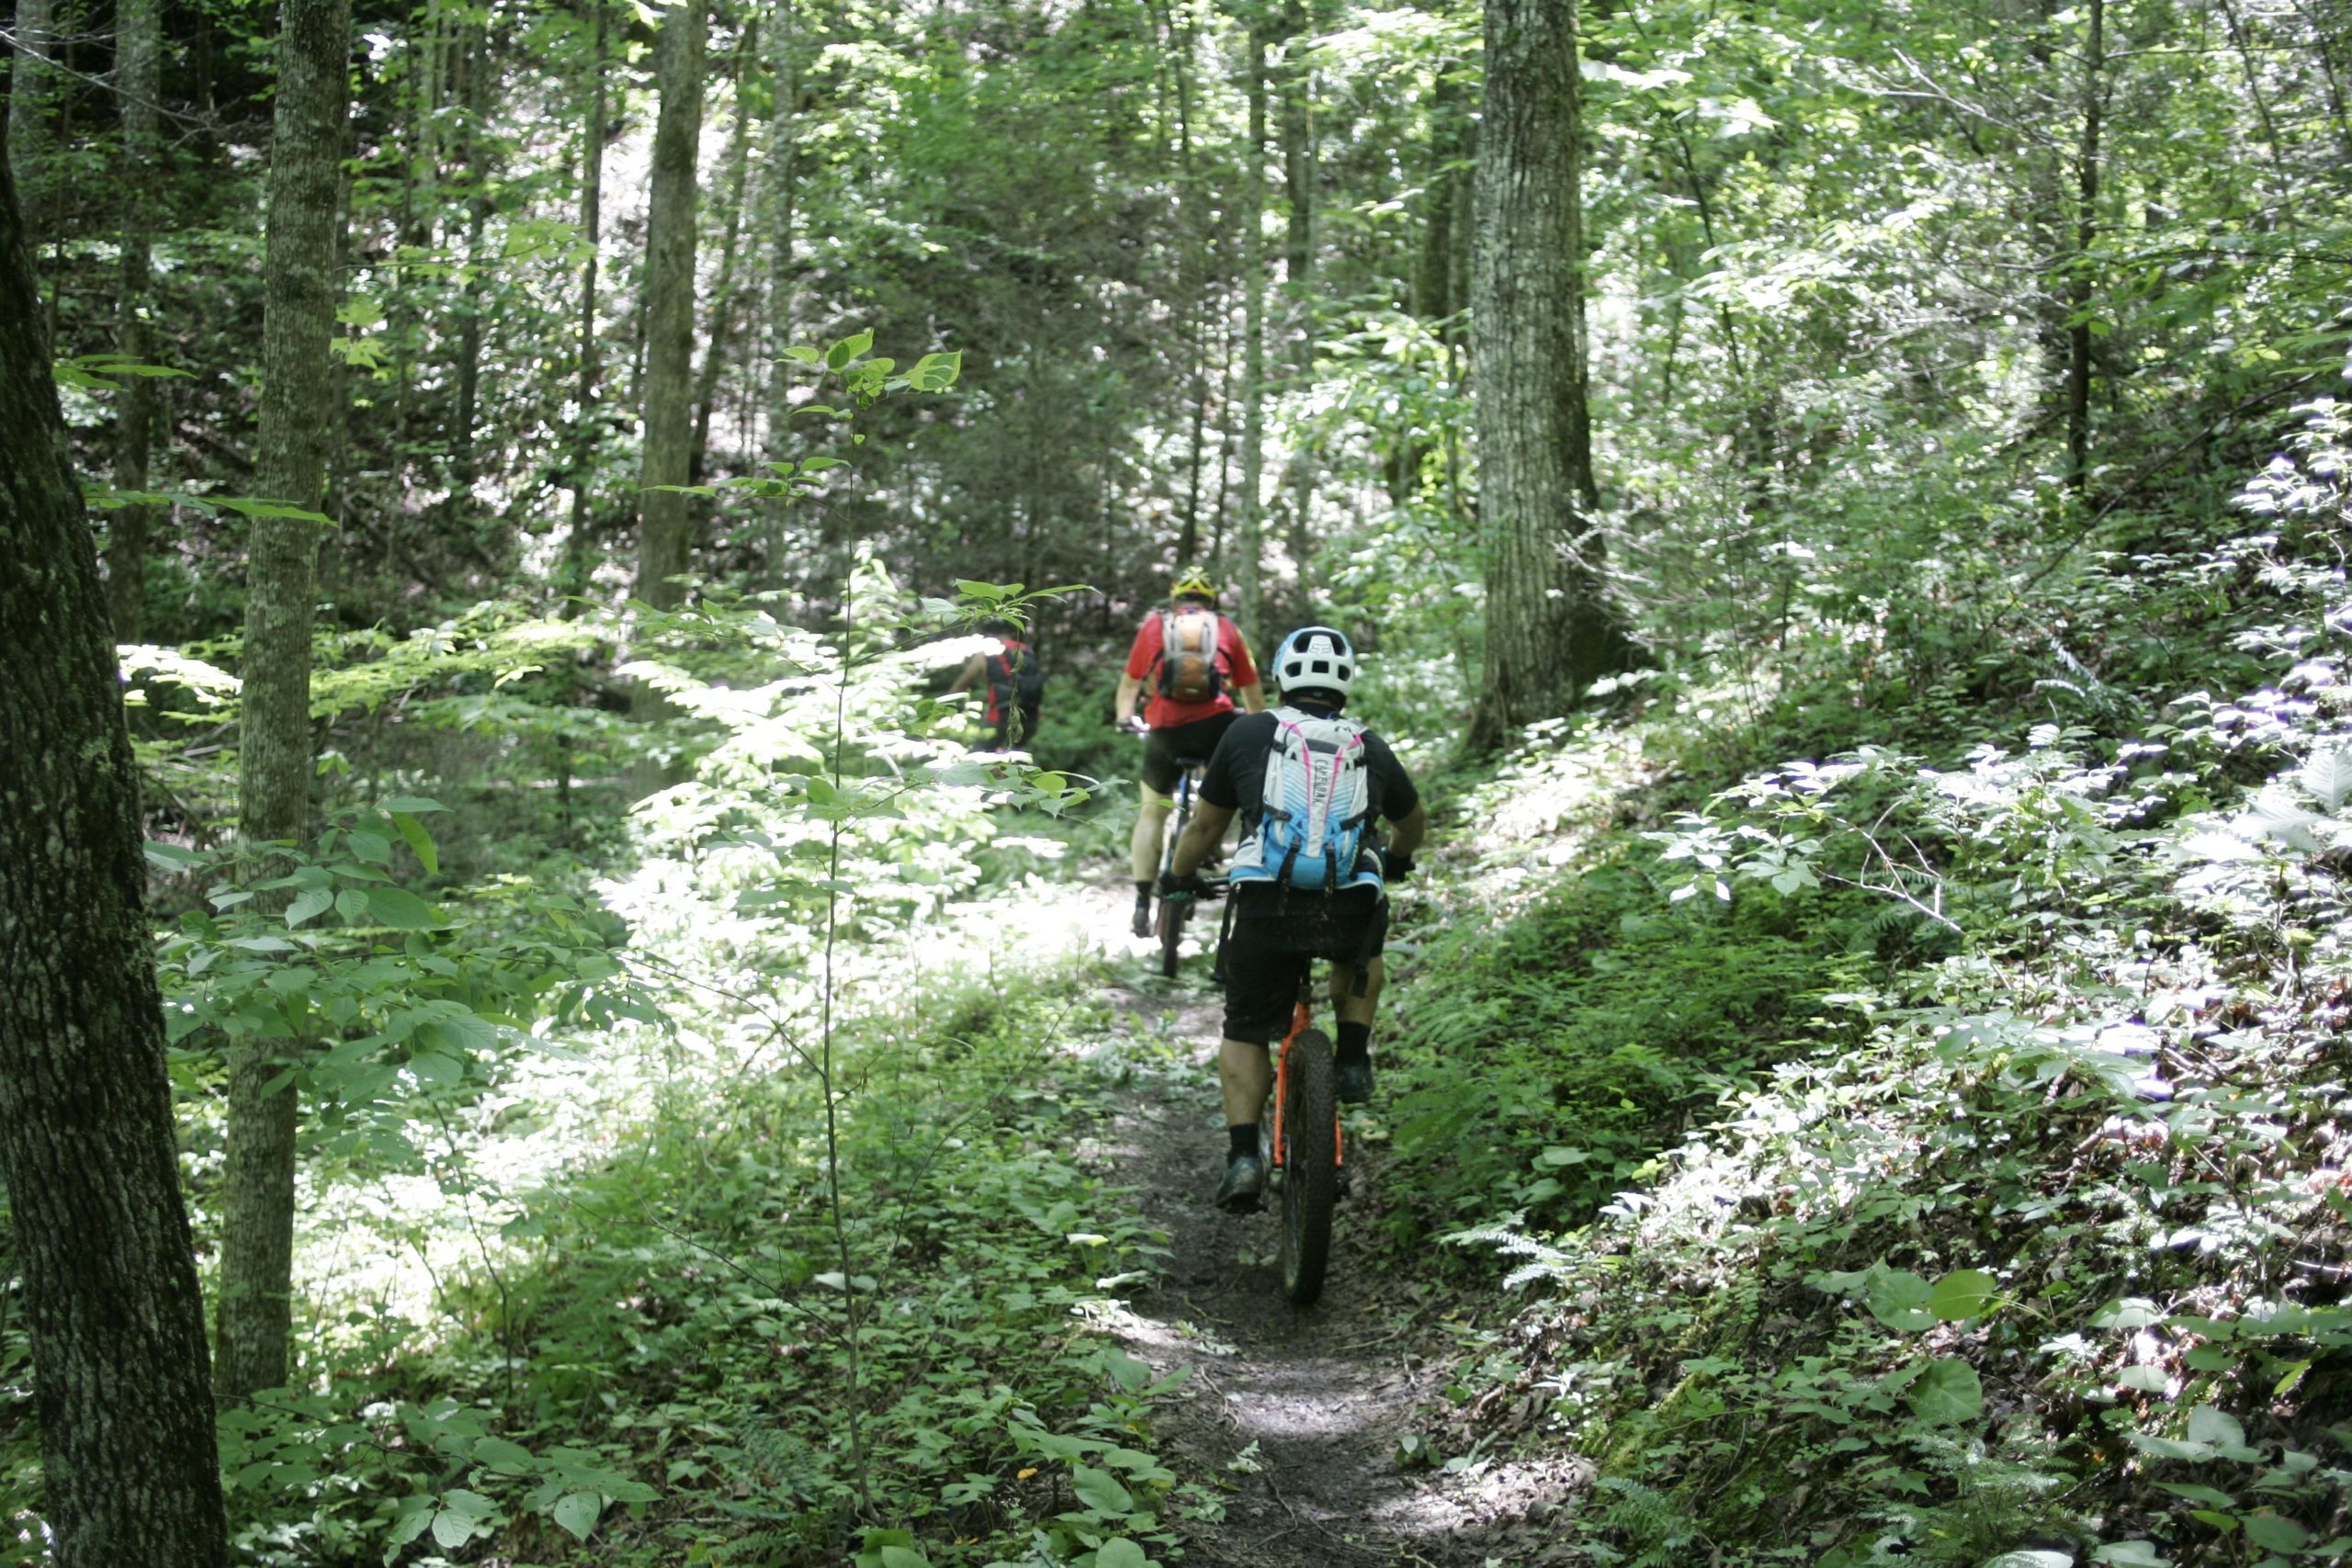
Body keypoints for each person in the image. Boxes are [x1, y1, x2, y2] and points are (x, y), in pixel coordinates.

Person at [1159, 626, 1426, 1213]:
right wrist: (1400, 860)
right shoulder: (1370, 745)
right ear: (1345, 683)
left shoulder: (1247, 731)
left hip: (1266, 904)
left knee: (1245, 1027)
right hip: (1346, 902)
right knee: (1363, 953)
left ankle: (1243, 1158)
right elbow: (1412, 823)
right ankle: (1353, 1057)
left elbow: (1205, 828)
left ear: (1282, 677)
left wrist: (1178, 878)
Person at [1114, 570, 1264, 938]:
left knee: (1152, 812)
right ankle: (1203, 852)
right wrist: (1260, 728)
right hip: (1216, 727)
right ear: (1212, 601)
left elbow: (1131, 682)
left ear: (1175, 599)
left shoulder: (1154, 627)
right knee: (1219, 805)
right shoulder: (1227, 629)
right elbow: (1250, 686)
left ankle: (1141, 903)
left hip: (1165, 730)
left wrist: (1124, 718)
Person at [946, 617, 1043, 752]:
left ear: (988, 634)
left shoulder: (987, 653)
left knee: (979, 757)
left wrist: (945, 705)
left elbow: (962, 684)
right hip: (1031, 717)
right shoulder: (1027, 650)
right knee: (1017, 757)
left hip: (1001, 717)